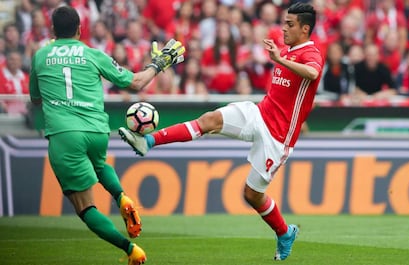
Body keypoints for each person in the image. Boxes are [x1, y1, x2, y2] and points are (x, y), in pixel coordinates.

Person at [119, 2, 323, 261]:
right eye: (284, 22)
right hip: (259, 113)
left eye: (290, 24)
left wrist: (280, 59)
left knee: (251, 195)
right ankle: (148, 140)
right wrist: (281, 56)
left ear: (305, 29)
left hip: (278, 137)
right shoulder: (286, 50)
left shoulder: (311, 52)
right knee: (209, 119)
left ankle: (285, 233)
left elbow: (314, 72)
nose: (284, 28)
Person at [29, 6, 184, 265]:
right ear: (80, 29)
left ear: (52, 30)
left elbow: (35, 100)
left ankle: (131, 250)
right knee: (99, 165)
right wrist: (158, 64)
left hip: (65, 135)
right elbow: (136, 83)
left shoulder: (40, 56)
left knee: (85, 207)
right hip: (97, 130)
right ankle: (121, 196)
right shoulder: (93, 55)